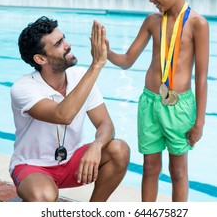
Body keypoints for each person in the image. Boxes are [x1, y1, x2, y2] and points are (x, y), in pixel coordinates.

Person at [106, 0, 209, 202]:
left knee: (178, 172)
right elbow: (127, 60)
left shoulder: (198, 24)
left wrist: (199, 122)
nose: (151, 0)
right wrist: (105, 52)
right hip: (150, 103)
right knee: (150, 169)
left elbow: (202, 79)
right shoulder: (153, 22)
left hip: (179, 107)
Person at [9, 16, 130, 202]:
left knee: (119, 149)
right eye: (58, 44)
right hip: (33, 166)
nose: (68, 45)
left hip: (73, 162)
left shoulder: (80, 77)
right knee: (44, 196)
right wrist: (97, 64)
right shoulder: (23, 88)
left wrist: (96, 146)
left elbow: (106, 124)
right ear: (40, 58)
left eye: (63, 38)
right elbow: (63, 115)